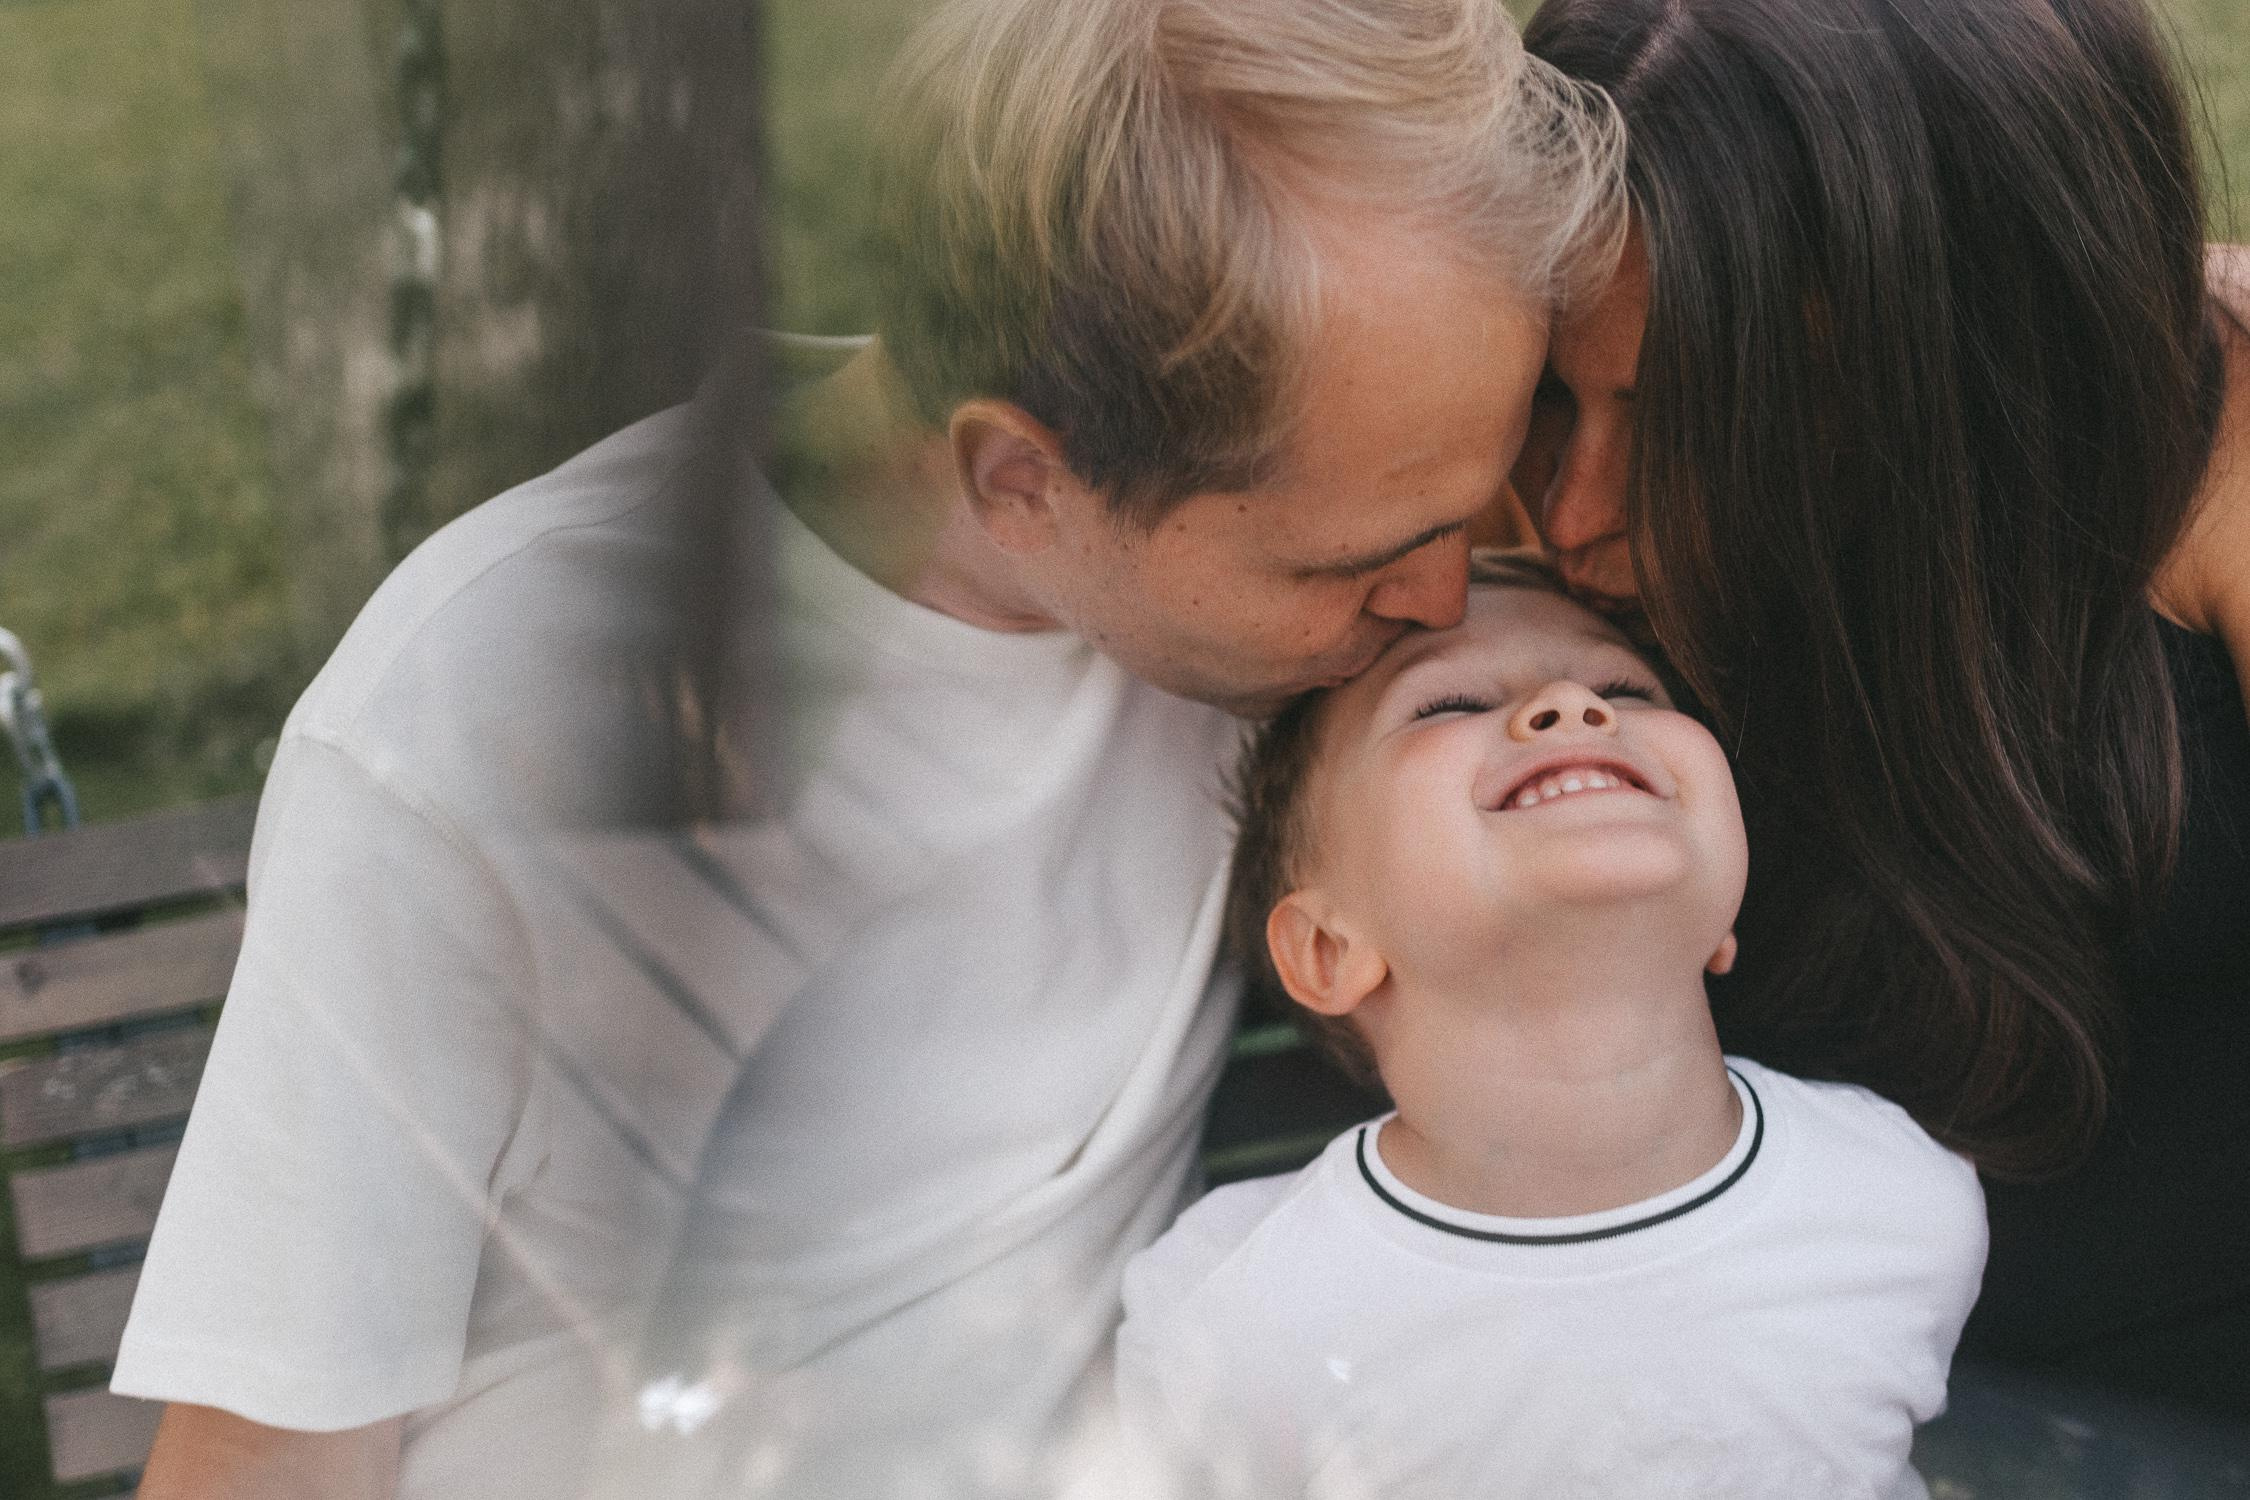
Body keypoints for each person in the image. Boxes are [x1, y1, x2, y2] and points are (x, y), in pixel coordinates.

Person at [112, 1, 1627, 1496]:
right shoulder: (490, 708)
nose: (1443, 600)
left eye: (1466, 509)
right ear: (1021, 482)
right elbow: (267, 1454)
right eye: (1348, 560)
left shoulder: (1302, 612)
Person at [1516, 0, 2250, 1416]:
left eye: (1689, 418)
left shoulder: (2206, 458)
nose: (1569, 512)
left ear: (1943, 363)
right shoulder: (1555, 445)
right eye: (1550, 396)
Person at [1112, 554, 1987, 1499]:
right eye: (1445, 705)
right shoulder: (1237, 1316)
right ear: (1329, 947)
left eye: (1626, 687)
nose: (1572, 701)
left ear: (1726, 909)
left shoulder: (1902, 1197)